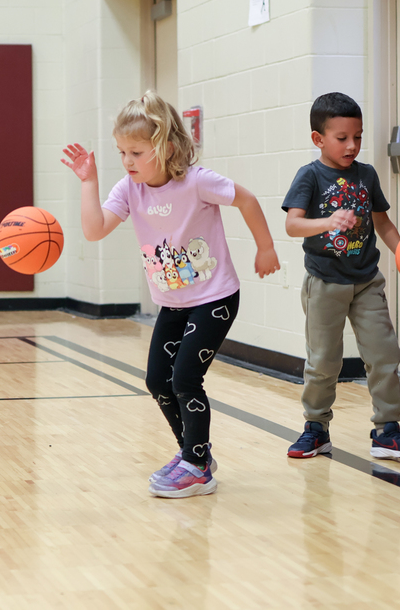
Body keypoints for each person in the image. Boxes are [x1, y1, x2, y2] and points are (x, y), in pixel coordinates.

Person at [61, 91, 279, 498]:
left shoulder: (197, 182)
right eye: (122, 151)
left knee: (184, 378)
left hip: (214, 298)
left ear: (167, 147)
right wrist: (88, 182)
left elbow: (246, 199)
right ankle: (193, 454)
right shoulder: (130, 189)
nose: (127, 161)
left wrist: (265, 247)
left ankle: (198, 467)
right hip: (174, 303)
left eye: (136, 152)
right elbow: (94, 230)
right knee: (157, 380)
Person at [281, 92, 400, 460]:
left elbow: (384, 224)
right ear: (318, 139)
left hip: (366, 282)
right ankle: (316, 428)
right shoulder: (310, 176)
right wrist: (327, 222)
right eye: (342, 138)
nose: (352, 145)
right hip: (324, 284)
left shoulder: (366, 175)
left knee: (384, 354)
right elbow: (292, 224)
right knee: (324, 362)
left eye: (358, 137)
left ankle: (387, 431)